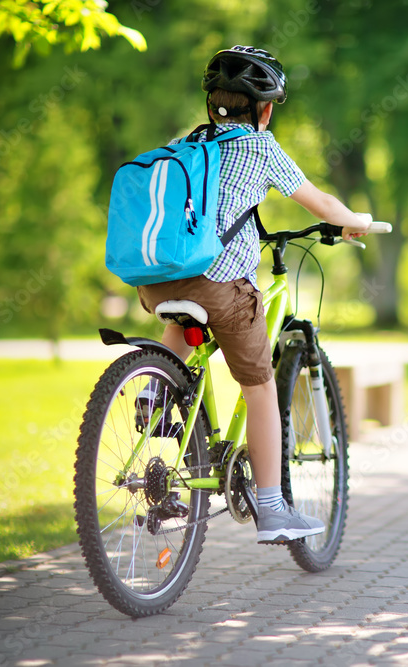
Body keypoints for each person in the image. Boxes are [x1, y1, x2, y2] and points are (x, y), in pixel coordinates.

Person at [134, 46, 373, 542]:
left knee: (182, 320)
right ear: (264, 110)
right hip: (222, 287)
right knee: (260, 388)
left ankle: (152, 389)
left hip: (156, 284)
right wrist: (355, 222)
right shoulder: (260, 148)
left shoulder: (185, 144)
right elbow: (320, 201)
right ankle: (271, 508)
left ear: (211, 107)